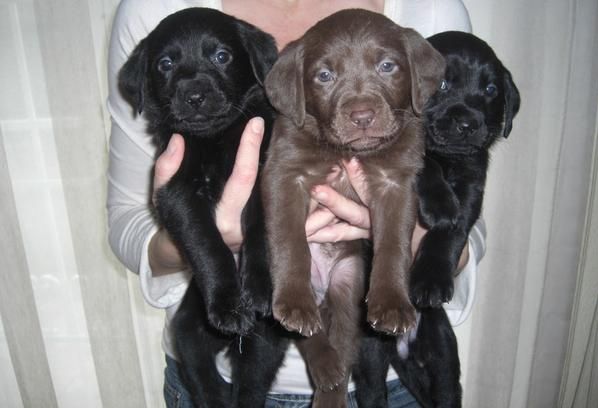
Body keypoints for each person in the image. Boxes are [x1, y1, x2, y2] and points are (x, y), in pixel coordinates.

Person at [106, 0, 486, 406]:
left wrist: (417, 245)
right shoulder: (155, 8)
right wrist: (206, 243)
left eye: (387, 67)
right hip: (222, 376)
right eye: (324, 75)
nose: (360, 104)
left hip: (388, 376)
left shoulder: (429, 9)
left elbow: (467, 220)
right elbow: (127, 226)